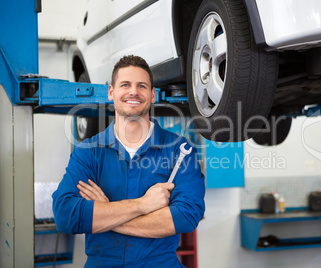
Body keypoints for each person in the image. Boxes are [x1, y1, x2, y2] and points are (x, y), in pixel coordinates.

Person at [52, 55, 206, 267]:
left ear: (152, 95)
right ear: (111, 92)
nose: (133, 92)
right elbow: (65, 215)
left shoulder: (180, 152)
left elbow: (186, 217)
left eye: (141, 86)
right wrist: (143, 205)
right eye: (125, 84)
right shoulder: (88, 152)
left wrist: (106, 213)